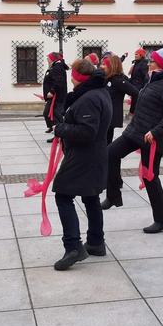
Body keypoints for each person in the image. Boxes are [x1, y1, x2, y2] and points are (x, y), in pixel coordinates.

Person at [103, 48, 163, 234]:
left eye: (152, 61)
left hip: (150, 139)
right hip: (135, 132)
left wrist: (156, 132)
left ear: (162, 64)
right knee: (110, 154)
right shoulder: (154, 78)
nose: (149, 64)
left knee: (151, 178)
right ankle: (114, 196)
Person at [51, 59, 113, 270]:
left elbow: (87, 131)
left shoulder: (89, 97)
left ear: (76, 77)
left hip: (84, 156)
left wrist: (61, 129)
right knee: (90, 196)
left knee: (62, 194)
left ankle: (74, 247)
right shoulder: (98, 90)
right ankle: (95, 242)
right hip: (95, 154)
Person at [101, 53, 138, 144]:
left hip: (111, 115)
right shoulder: (107, 78)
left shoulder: (118, 80)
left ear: (111, 66)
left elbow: (136, 93)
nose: (102, 66)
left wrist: (132, 111)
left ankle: (107, 156)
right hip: (105, 115)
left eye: (104, 64)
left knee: (106, 142)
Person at [43, 52, 68, 139]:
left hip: (56, 97)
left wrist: (52, 92)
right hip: (54, 96)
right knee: (51, 114)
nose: (47, 60)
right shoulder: (55, 66)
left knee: (55, 115)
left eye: (48, 59)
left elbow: (58, 82)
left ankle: (60, 134)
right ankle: (57, 133)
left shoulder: (57, 67)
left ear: (52, 59)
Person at [128, 48, 149, 114]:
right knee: (134, 101)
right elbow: (133, 75)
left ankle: (135, 114)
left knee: (137, 102)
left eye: (136, 54)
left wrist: (143, 88)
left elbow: (145, 77)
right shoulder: (136, 63)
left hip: (139, 87)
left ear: (141, 55)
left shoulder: (143, 64)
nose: (135, 56)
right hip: (134, 85)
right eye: (135, 54)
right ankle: (132, 114)